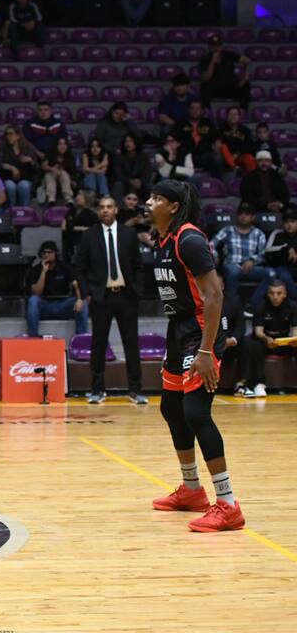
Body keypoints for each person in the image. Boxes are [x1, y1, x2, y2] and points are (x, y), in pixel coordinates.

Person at [146, 180, 245, 532]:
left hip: (204, 331)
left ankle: (229, 503)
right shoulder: (162, 240)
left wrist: (206, 349)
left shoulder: (189, 239)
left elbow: (215, 294)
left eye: (156, 198)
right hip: (180, 329)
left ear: (173, 207)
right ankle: (191, 491)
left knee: (195, 411)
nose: (148, 202)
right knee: (171, 408)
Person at [75, 195, 145, 404]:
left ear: (116, 210)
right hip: (101, 296)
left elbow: (139, 265)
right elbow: (79, 268)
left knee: (131, 343)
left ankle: (135, 390)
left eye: (109, 207)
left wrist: (137, 290)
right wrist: (87, 292)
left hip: (126, 295)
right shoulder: (89, 236)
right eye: (102, 207)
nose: (105, 210)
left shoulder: (128, 233)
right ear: (98, 211)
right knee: (98, 344)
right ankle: (97, 389)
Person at [211, 202, 297, 305]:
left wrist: (252, 260)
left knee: (272, 273)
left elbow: (263, 253)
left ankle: (252, 305)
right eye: (241, 214)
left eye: (247, 214)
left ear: (253, 217)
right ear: (237, 216)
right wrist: (215, 255)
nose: (243, 216)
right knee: (232, 271)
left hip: (251, 268)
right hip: (232, 266)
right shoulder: (227, 230)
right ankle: (231, 303)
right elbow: (210, 245)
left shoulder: (258, 233)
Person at [241, 279, 294, 400]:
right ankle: (259, 384)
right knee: (254, 345)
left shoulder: (292, 306)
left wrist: (294, 340)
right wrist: (267, 339)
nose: (275, 297)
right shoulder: (261, 306)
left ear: (285, 293)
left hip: (283, 342)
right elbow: (258, 331)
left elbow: (295, 330)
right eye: (272, 293)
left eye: (279, 293)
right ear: (268, 294)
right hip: (265, 341)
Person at [25, 241, 88, 338]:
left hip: (63, 305)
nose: (46, 255)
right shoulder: (36, 270)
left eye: (49, 252)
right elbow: (36, 292)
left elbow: (76, 284)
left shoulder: (64, 267)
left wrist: (79, 299)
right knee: (33, 300)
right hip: (45, 306)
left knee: (82, 302)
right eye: (44, 252)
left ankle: (81, 338)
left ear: (55, 254)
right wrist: (43, 272)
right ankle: (33, 337)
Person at [198, 34, 251, 108]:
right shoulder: (204, 59)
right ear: (209, 47)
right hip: (214, 89)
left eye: (218, 45)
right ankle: (206, 113)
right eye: (213, 46)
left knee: (246, 86)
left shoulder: (228, 55)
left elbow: (247, 60)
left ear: (221, 46)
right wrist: (212, 61)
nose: (216, 48)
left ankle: (243, 112)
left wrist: (245, 75)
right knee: (204, 87)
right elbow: (206, 78)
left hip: (230, 88)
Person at [0, 125, 37, 207]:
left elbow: (36, 168)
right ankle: (11, 210)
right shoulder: (4, 148)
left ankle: (25, 210)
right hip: (8, 178)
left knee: (23, 185)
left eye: (11, 134)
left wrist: (31, 161)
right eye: (7, 134)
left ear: (18, 136)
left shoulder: (27, 149)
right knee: (10, 186)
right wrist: (11, 168)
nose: (8, 136)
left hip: (25, 179)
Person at [112, 134, 153, 201]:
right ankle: (120, 209)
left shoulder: (144, 157)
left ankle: (150, 208)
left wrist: (141, 181)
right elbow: (118, 174)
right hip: (125, 183)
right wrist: (130, 181)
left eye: (130, 141)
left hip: (140, 183)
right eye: (126, 141)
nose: (128, 144)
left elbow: (147, 172)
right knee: (118, 185)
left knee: (150, 186)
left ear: (136, 143)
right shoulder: (119, 157)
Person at [41, 137, 77, 206]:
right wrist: (52, 169)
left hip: (65, 180)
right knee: (50, 174)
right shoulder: (50, 154)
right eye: (60, 144)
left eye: (64, 144)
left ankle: (68, 199)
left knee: (63, 173)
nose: (62, 146)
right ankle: (51, 200)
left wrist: (72, 180)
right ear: (56, 146)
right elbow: (43, 166)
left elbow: (73, 173)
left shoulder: (70, 157)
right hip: (49, 179)